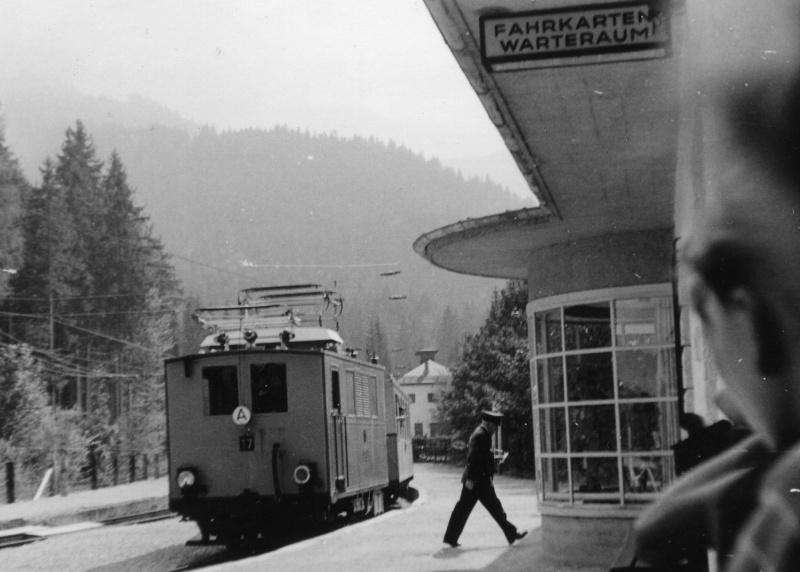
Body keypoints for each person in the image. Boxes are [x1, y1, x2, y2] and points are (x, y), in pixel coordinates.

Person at [633, 66, 800, 571]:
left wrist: (658, 533)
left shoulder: (786, 521)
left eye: (705, 315)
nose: (724, 393)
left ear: (755, 322)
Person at [443, 410, 527, 548]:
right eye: (494, 427)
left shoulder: (481, 433)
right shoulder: (482, 435)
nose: (495, 430)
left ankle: (511, 533)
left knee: (488, 508)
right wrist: (470, 478)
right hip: (476, 480)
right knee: (471, 509)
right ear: (488, 423)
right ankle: (511, 533)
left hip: (478, 480)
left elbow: (481, 456)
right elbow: (473, 457)